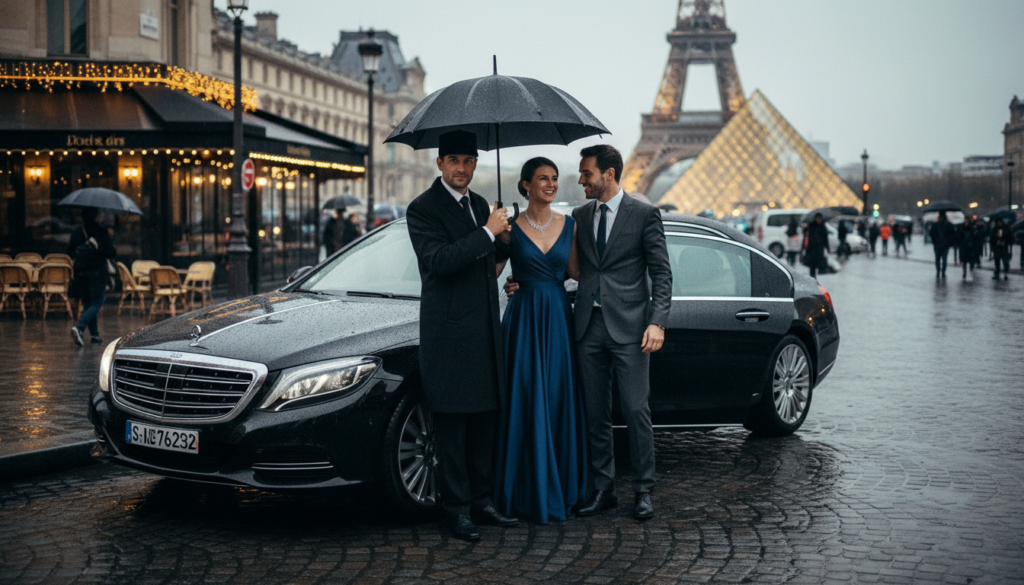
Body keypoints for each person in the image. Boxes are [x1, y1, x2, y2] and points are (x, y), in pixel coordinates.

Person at [510, 145, 672, 521]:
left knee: (635, 409)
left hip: (632, 328)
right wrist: (521, 281)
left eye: (587, 173)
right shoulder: (579, 216)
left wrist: (657, 320)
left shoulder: (645, 214)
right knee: (594, 413)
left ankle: (643, 490)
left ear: (609, 174)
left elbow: (662, 273)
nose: (580, 179)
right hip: (585, 326)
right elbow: (566, 267)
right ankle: (603, 489)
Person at [405, 130, 517, 541]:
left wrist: (504, 242)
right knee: (452, 425)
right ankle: (456, 511)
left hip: (484, 327)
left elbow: (485, 265)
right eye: (453, 160)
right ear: (439, 163)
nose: (462, 168)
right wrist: (487, 233)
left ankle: (482, 501)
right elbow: (438, 262)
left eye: (468, 161)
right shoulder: (423, 209)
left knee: (485, 419)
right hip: (450, 333)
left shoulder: (481, 204)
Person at [493, 157, 587, 524]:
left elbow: (579, 273)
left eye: (554, 179)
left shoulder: (571, 226)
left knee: (556, 399)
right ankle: (524, 489)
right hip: (524, 321)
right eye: (542, 179)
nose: (550, 184)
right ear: (525, 185)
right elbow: (492, 273)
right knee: (526, 397)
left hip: (559, 321)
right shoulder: (510, 228)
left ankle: (559, 485)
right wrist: (494, 236)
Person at [68, 208, 116, 346]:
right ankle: (80, 327)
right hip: (98, 274)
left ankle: (95, 335)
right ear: (96, 217)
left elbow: (70, 252)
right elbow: (111, 253)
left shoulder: (77, 232)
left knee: (88, 304)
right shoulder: (101, 232)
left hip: (81, 274)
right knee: (96, 304)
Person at [802, 212, 830, 278]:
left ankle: (817, 274)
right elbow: (806, 236)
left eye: (820, 218)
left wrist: (827, 248)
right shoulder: (811, 226)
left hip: (819, 248)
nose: (819, 219)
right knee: (812, 265)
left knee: (819, 263)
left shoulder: (823, 227)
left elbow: (825, 238)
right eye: (817, 218)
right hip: (811, 248)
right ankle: (813, 277)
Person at [929, 212, 955, 279]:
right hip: (945, 245)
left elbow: (931, 233)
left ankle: (938, 272)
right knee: (944, 259)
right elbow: (952, 234)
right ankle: (943, 272)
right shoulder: (949, 225)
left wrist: (934, 240)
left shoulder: (935, 225)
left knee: (937, 259)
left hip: (937, 244)